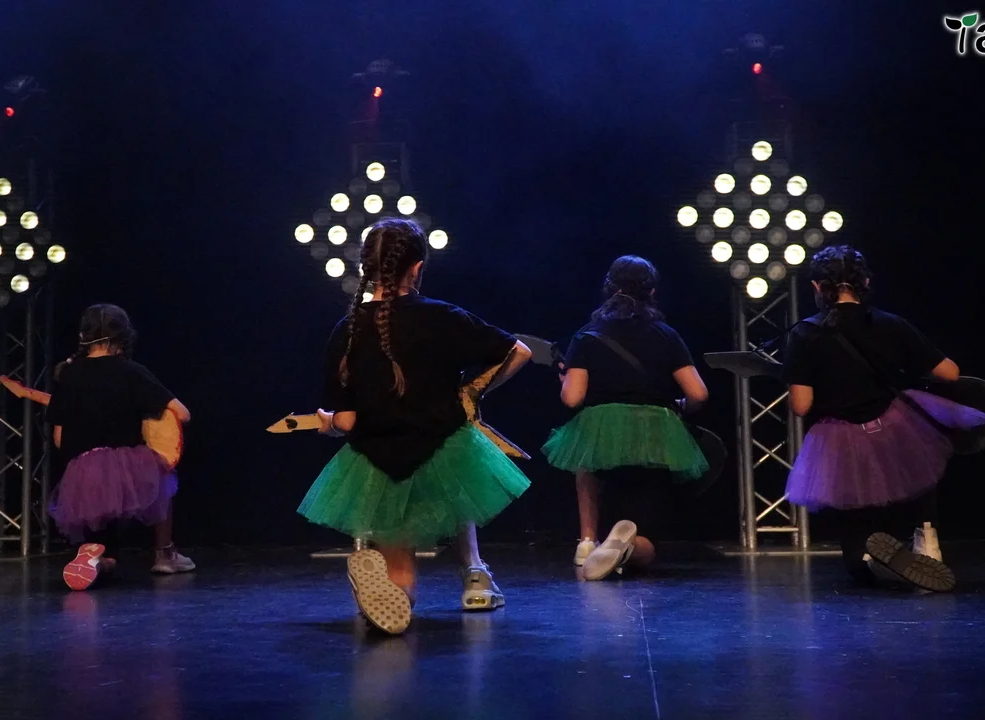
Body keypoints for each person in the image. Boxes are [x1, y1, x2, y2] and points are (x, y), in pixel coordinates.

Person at [298, 217, 533, 635]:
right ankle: (475, 578)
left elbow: (347, 421)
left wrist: (328, 423)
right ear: (417, 268)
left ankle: (396, 594)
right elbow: (519, 352)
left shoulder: (346, 330)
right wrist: (473, 390)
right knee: (459, 488)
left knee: (399, 558)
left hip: (379, 460)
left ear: (366, 268)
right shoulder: (443, 316)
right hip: (442, 445)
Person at [782, 246, 985, 592]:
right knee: (921, 476)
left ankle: (867, 559)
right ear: (865, 282)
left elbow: (802, 406)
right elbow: (951, 373)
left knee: (854, 518)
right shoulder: (891, 323)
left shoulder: (804, 333)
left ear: (817, 287)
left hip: (841, 437)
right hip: (895, 424)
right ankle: (927, 540)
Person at [541, 255, 710, 581]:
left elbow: (573, 398)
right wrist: (679, 406)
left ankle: (587, 540)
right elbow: (699, 394)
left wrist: (565, 381)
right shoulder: (666, 335)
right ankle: (628, 545)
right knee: (650, 538)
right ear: (653, 292)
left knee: (583, 455)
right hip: (655, 435)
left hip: (602, 431)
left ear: (609, 289)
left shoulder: (587, 335)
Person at [44, 304, 195, 590]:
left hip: (81, 471)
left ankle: (95, 557)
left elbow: (59, 436)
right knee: (163, 480)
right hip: (126, 467)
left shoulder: (67, 374)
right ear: (123, 336)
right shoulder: (131, 371)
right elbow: (182, 414)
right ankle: (164, 554)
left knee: (102, 536)